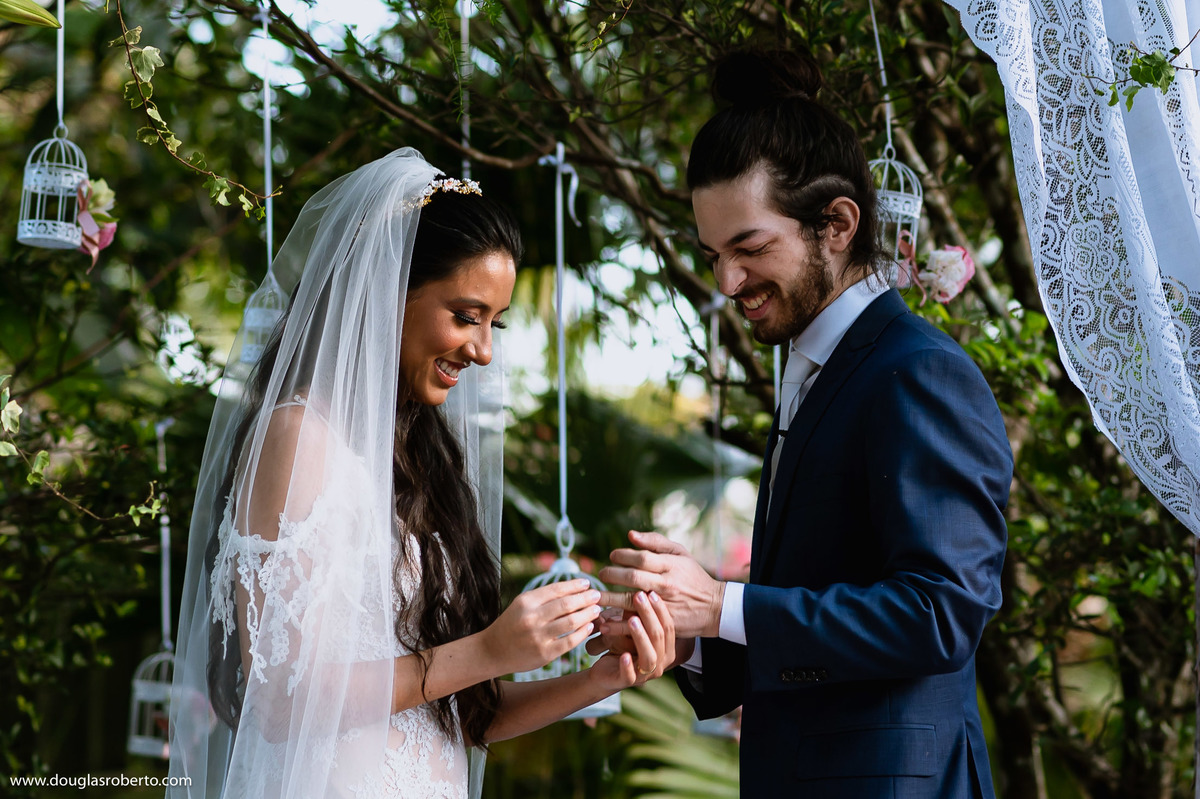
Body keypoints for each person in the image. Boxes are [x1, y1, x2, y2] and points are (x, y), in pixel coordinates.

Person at [167, 148, 673, 799]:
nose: (484, 350)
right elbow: (282, 695)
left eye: (494, 322)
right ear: (385, 291)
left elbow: (452, 715)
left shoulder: (417, 461)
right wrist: (490, 650)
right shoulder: (298, 438)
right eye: (466, 316)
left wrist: (599, 678)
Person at [595, 51, 1011, 798]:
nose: (727, 282)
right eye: (714, 255)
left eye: (750, 248)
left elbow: (941, 613)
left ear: (838, 224)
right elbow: (811, 616)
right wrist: (685, 629)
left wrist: (723, 602)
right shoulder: (810, 372)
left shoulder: (917, 370)